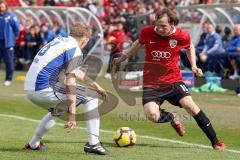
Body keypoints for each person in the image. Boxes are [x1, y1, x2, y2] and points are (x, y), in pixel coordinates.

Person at [113, 8, 225, 150]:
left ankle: (215, 141)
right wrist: (123, 57)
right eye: (157, 24)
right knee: (152, 115)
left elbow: (189, 46)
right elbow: (138, 43)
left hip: (173, 80)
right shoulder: (148, 32)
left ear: (172, 23)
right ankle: (172, 117)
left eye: (163, 26)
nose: (159, 28)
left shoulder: (182, 36)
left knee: (191, 106)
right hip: (151, 82)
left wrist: (194, 66)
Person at [24, 22, 109, 155]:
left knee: (58, 110)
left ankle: (33, 144)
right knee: (91, 97)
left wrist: (95, 85)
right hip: (43, 88)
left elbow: (73, 71)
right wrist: (72, 115)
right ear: (85, 39)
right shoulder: (74, 49)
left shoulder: (60, 41)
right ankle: (93, 143)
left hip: (29, 88)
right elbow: (70, 82)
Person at [0, 0, 20, 86]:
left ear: (6, 7)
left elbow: (17, 29)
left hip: (7, 42)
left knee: (9, 61)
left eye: (2, 7)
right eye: (0, 7)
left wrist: (12, 39)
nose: (1, 8)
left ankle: (8, 79)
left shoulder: (11, 16)